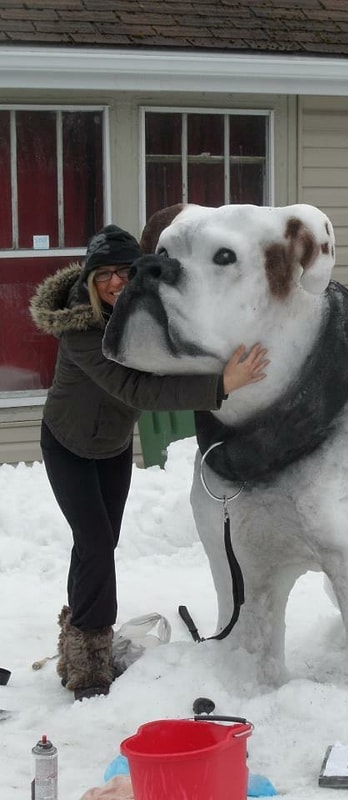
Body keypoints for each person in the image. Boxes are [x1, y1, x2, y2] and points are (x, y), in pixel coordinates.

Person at [29, 224, 269, 701]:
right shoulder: (81, 332)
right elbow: (135, 389)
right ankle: (90, 662)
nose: (115, 283)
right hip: (68, 444)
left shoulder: (139, 318)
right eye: (105, 276)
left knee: (99, 542)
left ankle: (76, 632)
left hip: (112, 445)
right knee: (95, 543)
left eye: (124, 272)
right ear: (91, 281)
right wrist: (222, 385)